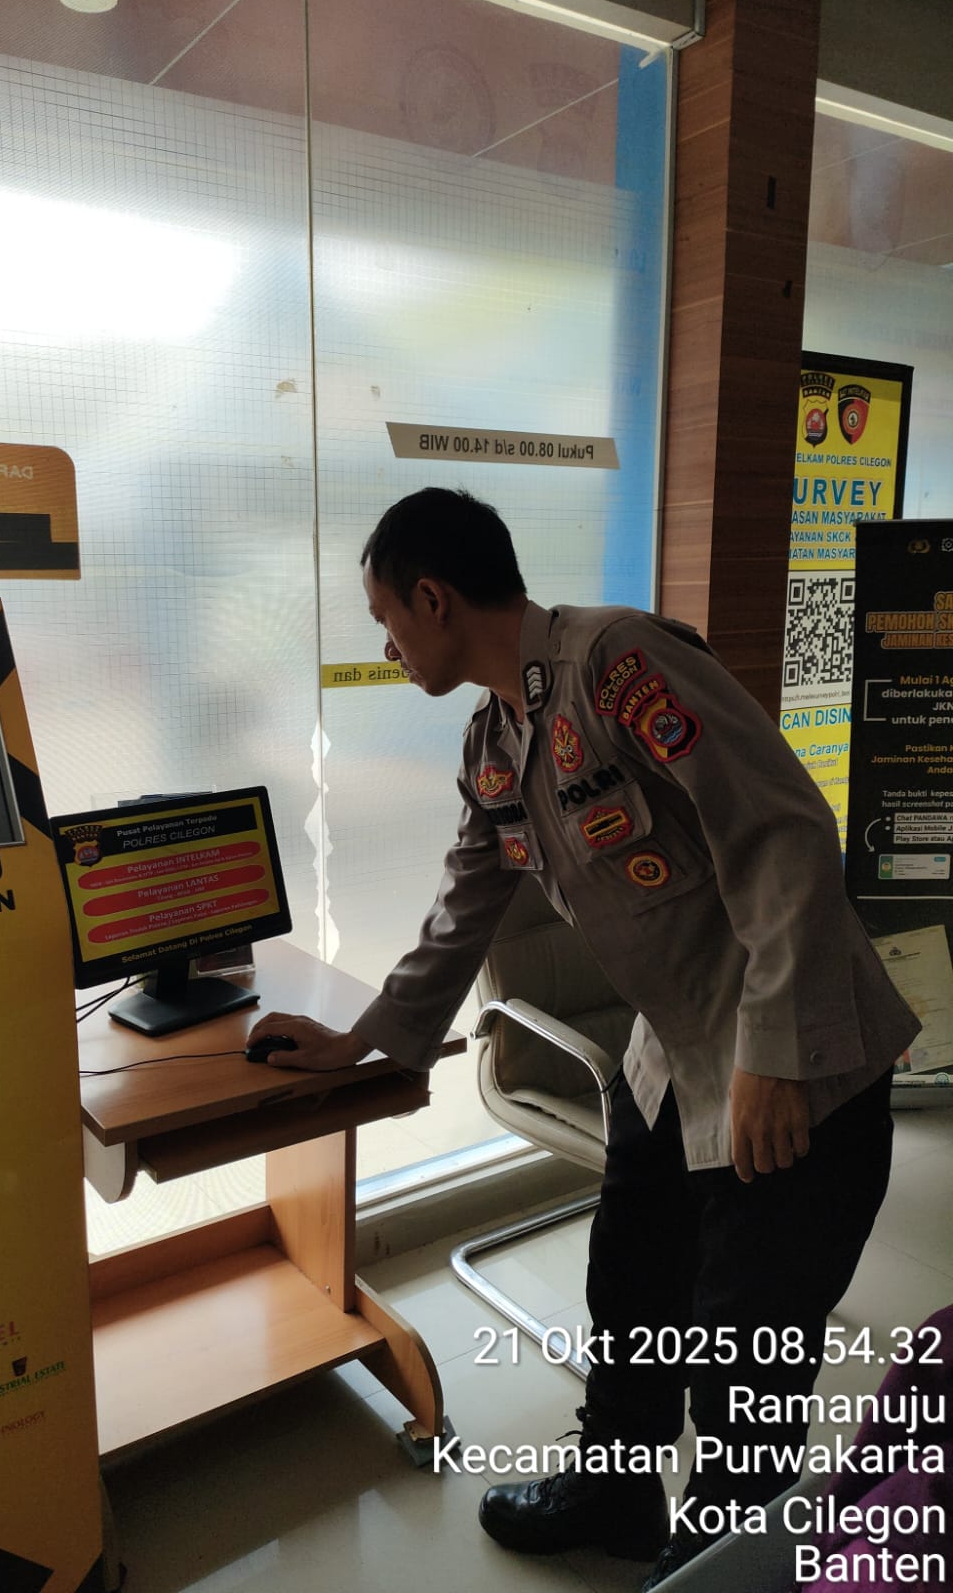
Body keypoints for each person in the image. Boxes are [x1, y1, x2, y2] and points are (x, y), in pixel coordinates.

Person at [248, 487, 919, 1590]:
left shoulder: (621, 665)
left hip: (798, 1053)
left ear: (434, 597)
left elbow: (784, 833)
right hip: (673, 1056)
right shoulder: (496, 738)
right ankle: (617, 1493)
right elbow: (465, 906)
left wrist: (772, 1053)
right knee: (633, 1284)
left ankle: (716, 1560)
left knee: (746, 1344)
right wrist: (363, 1038)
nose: (387, 645)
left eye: (387, 617)